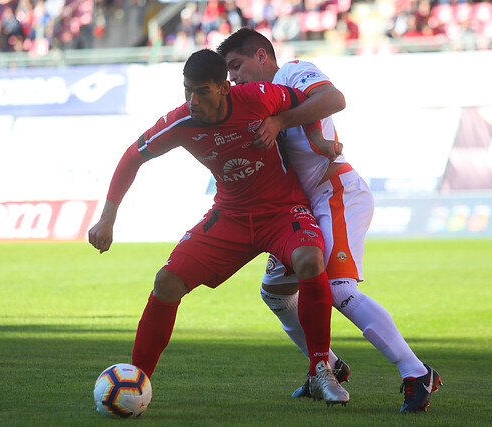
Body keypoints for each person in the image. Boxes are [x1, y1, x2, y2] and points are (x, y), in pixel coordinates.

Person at [88, 48, 349, 405]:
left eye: (202, 91)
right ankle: (135, 382)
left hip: (281, 210)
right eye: (187, 90)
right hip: (231, 216)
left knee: (310, 259)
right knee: (166, 283)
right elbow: (133, 157)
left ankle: (321, 371)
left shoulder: (257, 97)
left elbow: (308, 101)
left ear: (224, 87)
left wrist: (309, 136)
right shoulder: (181, 122)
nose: (193, 100)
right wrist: (108, 217)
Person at [217, 27, 442, 414]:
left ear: (261, 56)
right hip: (304, 207)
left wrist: (280, 122)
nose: (234, 78)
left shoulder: (292, 71)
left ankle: (416, 371)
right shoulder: (257, 104)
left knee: (337, 288)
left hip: (335, 191)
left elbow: (333, 98)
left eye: (236, 66)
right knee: (275, 291)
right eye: (228, 73)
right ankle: (327, 365)